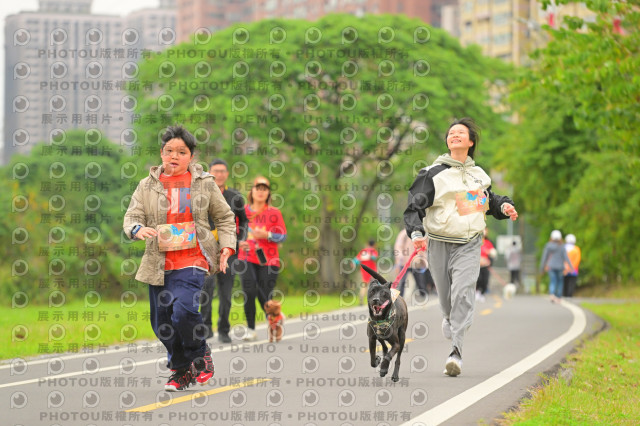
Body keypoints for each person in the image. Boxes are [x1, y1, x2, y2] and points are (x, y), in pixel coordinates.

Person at [123, 125, 237, 391]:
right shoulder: (146, 185)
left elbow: (224, 217)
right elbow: (132, 216)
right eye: (169, 151)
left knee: (184, 311)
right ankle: (181, 370)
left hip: (193, 258)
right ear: (161, 153)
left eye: (181, 152)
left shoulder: (204, 183)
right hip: (159, 261)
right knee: (162, 324)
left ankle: (199, 354)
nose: (174, 156)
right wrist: (137, 229)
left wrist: (226, 247)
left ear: (191, 157)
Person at [404, 117, 518, 377]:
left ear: (471, 142)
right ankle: (449, 318)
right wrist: (417, 232)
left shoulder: (478, 175)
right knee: (446, 298)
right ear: (447, 141)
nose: (454, 135)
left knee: (463, 293)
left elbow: (486, 201)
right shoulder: (432, 173)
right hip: (439, 242)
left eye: (461, 132)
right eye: (451, 133)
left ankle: (456, 352)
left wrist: (503, 206)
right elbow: (414, 206)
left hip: (469, 242)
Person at [199, 159, 249, 343]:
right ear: (209, 174)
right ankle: (206, 328)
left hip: (229, 251)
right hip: (206, 251)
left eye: (222, 171)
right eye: (215, 171)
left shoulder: (235, 196)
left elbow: (244, 220)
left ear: (227, 174)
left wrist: (240, 239)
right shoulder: (201, 195)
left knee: (226, 293)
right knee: (206, 289)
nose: (219, 175)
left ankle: (224, 329)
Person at [238, 176, 287, 341]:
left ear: (268, 193)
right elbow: (233, 232)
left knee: (265, 293)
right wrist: (239, 242)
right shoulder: (242, 211)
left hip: (269, 259)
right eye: (257, 188)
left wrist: (267, 235)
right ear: (251, 191)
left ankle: (274, 318)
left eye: (264, 189)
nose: (260, 192)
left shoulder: (274, 213)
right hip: (246, 256)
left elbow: (283, 236)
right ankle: (251, 329)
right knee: (249, 290)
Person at [540, 229, 575, 303]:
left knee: (553, 281)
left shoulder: (548, 245)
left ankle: (552, 294)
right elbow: (566, 257)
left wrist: (542, 268)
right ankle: (558, 297)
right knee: (560, 282)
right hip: (560, 267)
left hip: (551, 266)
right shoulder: (562, 246)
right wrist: (571, 267)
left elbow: (544, 257)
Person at [393, 231, 430, 299]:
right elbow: (398, 246)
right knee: (402, 282)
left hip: (417, 262)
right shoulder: (404, 233)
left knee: (420, 282)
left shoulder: (420, 232)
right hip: (405, 262)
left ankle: (424, 297)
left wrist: (424, 258)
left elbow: (426, 245)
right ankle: (399, 299)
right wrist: (400, 258)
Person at [353, 240, 379, 305]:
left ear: (367, 244)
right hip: (372, 270)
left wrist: (353, 262)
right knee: (375, 284)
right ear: (374, 245)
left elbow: (356, 260)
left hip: (364, 270)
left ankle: (361, 299)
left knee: (364, 284)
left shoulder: (363, 251)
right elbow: (374, 257)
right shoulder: (373, 251)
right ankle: (375, 299)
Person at [476, 228, 497, 302]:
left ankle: (482, 293)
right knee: (478, 279)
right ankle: (477, 292)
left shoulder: (488, 242)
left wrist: (489, 261)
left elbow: (493, 253)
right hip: (477, 265)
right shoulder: (476, 242)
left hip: (485, 265)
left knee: (485, 280)